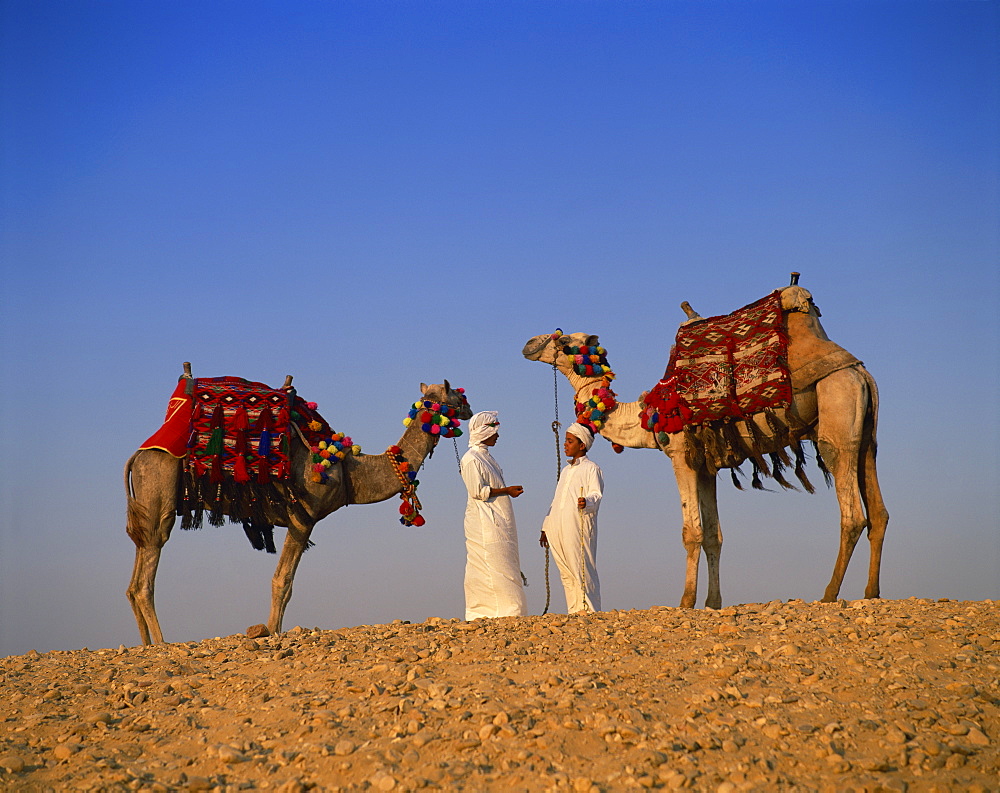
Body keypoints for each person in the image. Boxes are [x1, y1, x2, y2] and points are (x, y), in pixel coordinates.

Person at [460, 411, 528, 620]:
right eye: (494, 431)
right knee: (491, 562)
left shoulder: (485, 457)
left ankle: (510, 611)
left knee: (504, 560)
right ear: (484, 432)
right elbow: (477, 491)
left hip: (498, 516)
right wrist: (506, 491)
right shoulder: (471, 459)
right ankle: (490, 612)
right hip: (483, 520)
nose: (497, 435)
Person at [539, 423, 604, 613]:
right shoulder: (566, 471)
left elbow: (596, 494)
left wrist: (587, 502)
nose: (565, 445)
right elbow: (556, 499)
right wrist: (546, 526)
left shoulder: (592, 468)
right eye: (566, 441)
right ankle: (575, 611)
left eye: (569, 441)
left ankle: (590, 610)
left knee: (581, 567)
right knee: (565, 571)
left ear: (582, 445)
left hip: (578, 524)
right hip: (557, 525)